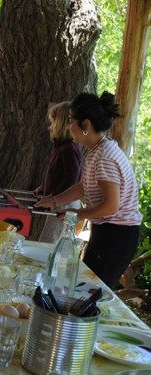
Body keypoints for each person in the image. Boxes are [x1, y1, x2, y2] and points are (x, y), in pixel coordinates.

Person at [35, 91, 143, 288]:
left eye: (71, 121)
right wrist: (53, 202)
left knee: (91, 292)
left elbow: (111, 206)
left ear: (86, 125)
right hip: (107, 231)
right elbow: (83, 187)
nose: (69, 126)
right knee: (84, 288)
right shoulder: (97, 151)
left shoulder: (105, 157)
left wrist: (76, 214)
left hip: (117, 236)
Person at [34, 101, 83, 243]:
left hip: (64, 202)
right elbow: (57, 173)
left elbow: (70, 180)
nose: (51, 126)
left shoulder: (69, 148)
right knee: (48, 239)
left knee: (50, 242)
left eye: (53, 122)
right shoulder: (61, 146)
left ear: (61, 123)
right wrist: (44, 187)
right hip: (58, 200)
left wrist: (52, 196)